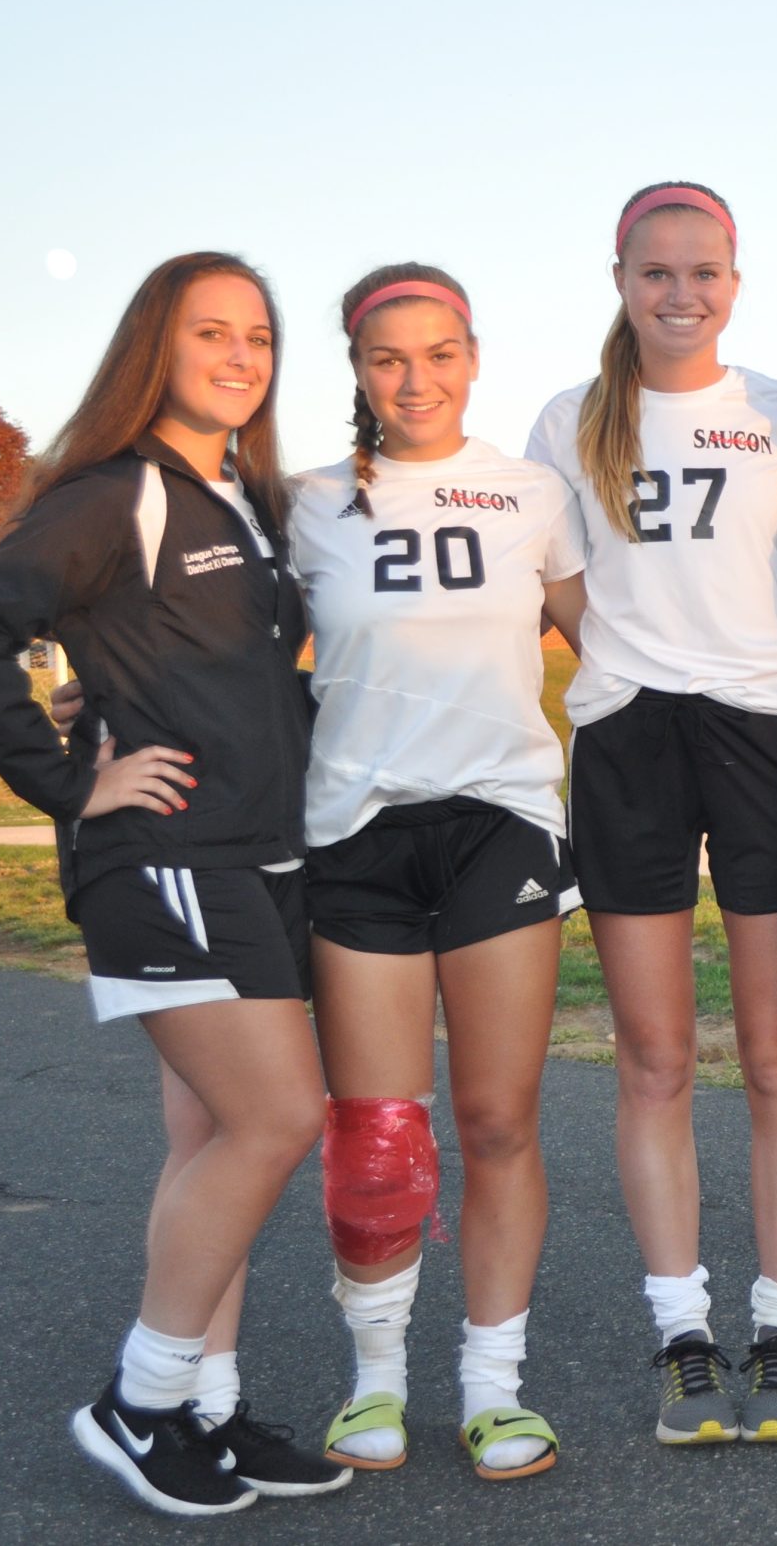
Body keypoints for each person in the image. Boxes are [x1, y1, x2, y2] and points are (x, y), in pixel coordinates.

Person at [0, 252, 349, 1515]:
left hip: (259, 857)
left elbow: (229, 676)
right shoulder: (118, 494)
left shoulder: (245, 499)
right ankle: (143, 1396)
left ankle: (208, 1412)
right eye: (209, 331)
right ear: (152, 348)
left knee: (220, 1130)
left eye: (258, 335)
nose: (239, 354)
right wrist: (70, 782)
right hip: (162, 860)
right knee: (276, 1119)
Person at [523, 182, 777, 1444]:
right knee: (654, 1057)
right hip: (630, 734)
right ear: (619, 277)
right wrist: (634, 660)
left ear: (735, 280)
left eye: (702, 270)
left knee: (773, 1054)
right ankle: (682, 1336)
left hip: (761, 730)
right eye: (657, 271)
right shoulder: (572, 418)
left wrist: (753, 668)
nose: (680, 292)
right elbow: (558, 585)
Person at [283, 265, 587, 1480]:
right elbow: (219, 642)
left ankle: (494, 1384)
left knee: (499, 1117)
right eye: (389, 358)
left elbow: (611, 640)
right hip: (355, 828)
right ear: (357, 371)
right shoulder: (306, 500)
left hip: (499, 818)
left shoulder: (532, 491)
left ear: (474, 354)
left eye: (440, 352)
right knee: (376, 1136)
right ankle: (375, 1381)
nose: (418, 378)